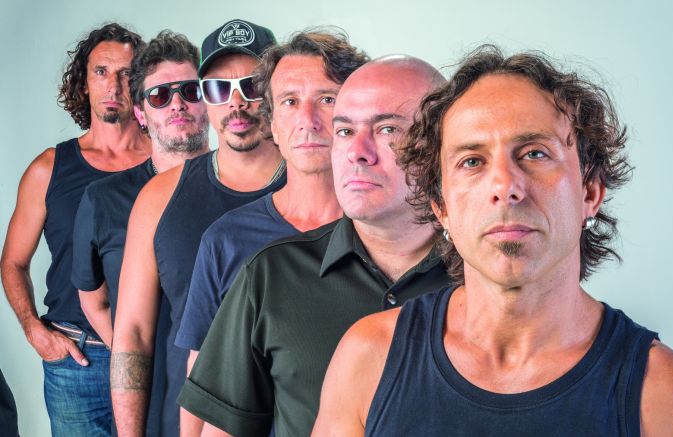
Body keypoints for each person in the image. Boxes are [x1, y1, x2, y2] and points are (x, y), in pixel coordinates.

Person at [313, 45, 673, 436]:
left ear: (590, 192)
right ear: (441, 207)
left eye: (534, 154)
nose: (505, 186)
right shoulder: (369, 357)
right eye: (472, 161)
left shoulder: (669, 395)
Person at [178, 55, 450, 437]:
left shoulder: (486, 278)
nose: (357, 151)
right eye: (345, 131)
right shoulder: (269, 275)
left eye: (388, 129)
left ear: (440, 145)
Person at [110, 19, 284, 437]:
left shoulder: (319, 189)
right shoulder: (160, 197)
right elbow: (132, 335)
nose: (236, 102)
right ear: (205, 98)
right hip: (189, 422)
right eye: (219, 88)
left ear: (277, 91)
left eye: (252, 86)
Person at [175, 28, 368, 375]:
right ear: (272, 121)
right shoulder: (226, 240)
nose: (307, 121)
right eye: (290, 102)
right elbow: (202, 375)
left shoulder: (387, 230)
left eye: (327, 99)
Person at [0, 23, 148, 436]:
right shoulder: (49, 168)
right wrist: (33, 329)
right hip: (75, 362)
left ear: (142, 83)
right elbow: (13, 262)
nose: (113, 85)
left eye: (126, 74)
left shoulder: (168, 163)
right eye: (101, 72)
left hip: (152, 355)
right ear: (83, 83)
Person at [71, 30, 208, 436]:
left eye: (190, 91)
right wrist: (132, 358)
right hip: (146, 407)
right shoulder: (104, 199)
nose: (177, 104)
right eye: (160, 96)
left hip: (227, 405)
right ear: (141, 113)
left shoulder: (243, 189)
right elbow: (93, 300)